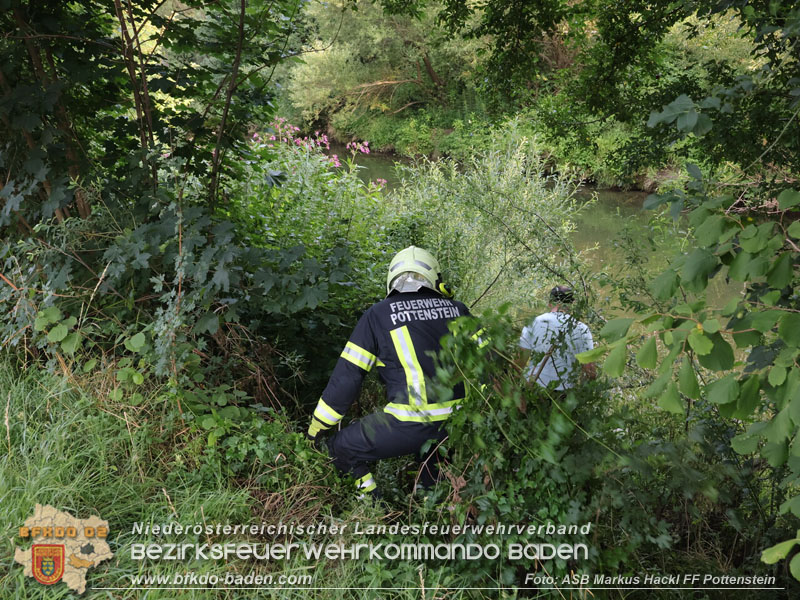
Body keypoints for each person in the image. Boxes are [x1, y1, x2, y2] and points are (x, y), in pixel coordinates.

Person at [306, 246, 470, 498]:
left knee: (340, 447)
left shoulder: (378, 315)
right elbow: (490, 363)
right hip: (460, 423)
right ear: (436, 279)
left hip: (410, 423)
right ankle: (430, 504)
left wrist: (318, 427)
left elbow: (348, 377)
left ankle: (374, 507)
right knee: (432, 454)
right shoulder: (458, 309)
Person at [516, 285, 596, 391]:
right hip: (565, 394)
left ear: (550, 303)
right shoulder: (582, 329)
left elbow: (519, 362)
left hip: (534, 388)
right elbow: (590, 371)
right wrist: (581, 394)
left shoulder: (534, 323)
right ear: (572, 304)